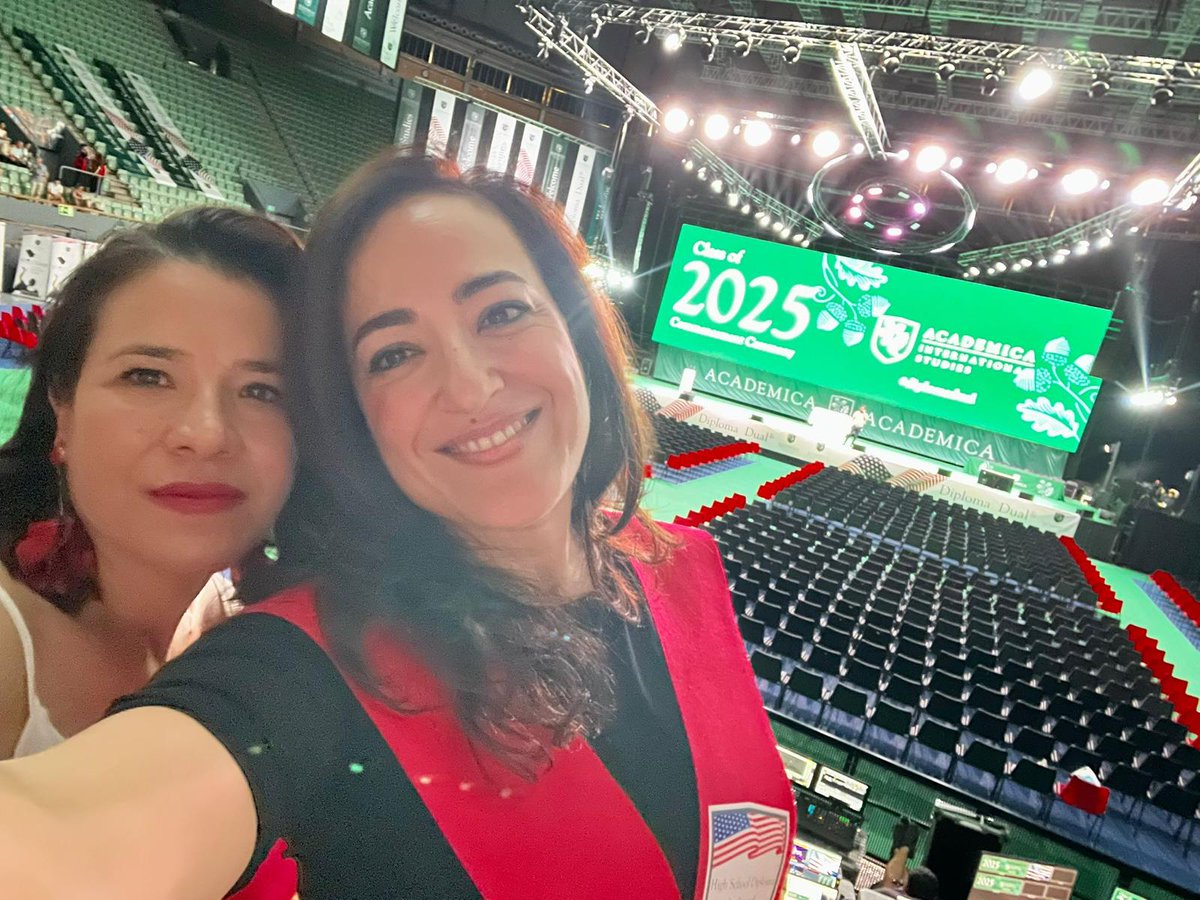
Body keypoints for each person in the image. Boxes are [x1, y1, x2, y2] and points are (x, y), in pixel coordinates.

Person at [0, 153, 795, 898]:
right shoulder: (304, 668)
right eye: (393, 354)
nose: (471, 384)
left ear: (578, 332)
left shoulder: (686, 567)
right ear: (354, 423)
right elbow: (70, 833)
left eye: (502, 312)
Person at [0, 208, 301, 898]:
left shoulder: (252, 637)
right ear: (62, 411)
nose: (205, 433)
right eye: (147, 376)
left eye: (262, 390)